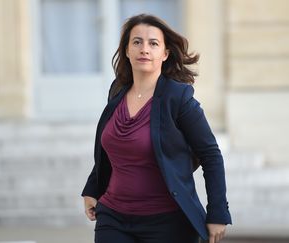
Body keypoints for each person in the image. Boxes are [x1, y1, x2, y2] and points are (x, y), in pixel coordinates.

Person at [82, 13, 232, 243]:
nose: (144, 49)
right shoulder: (118, 90)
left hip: (168, 223)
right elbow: (111, 148)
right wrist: (93, 187)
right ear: (126, 50)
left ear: (165, 53)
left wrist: (218, 212)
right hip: (113, 217)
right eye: (137, 42)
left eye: (153, 43)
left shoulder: (178, 98)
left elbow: (210, 154)